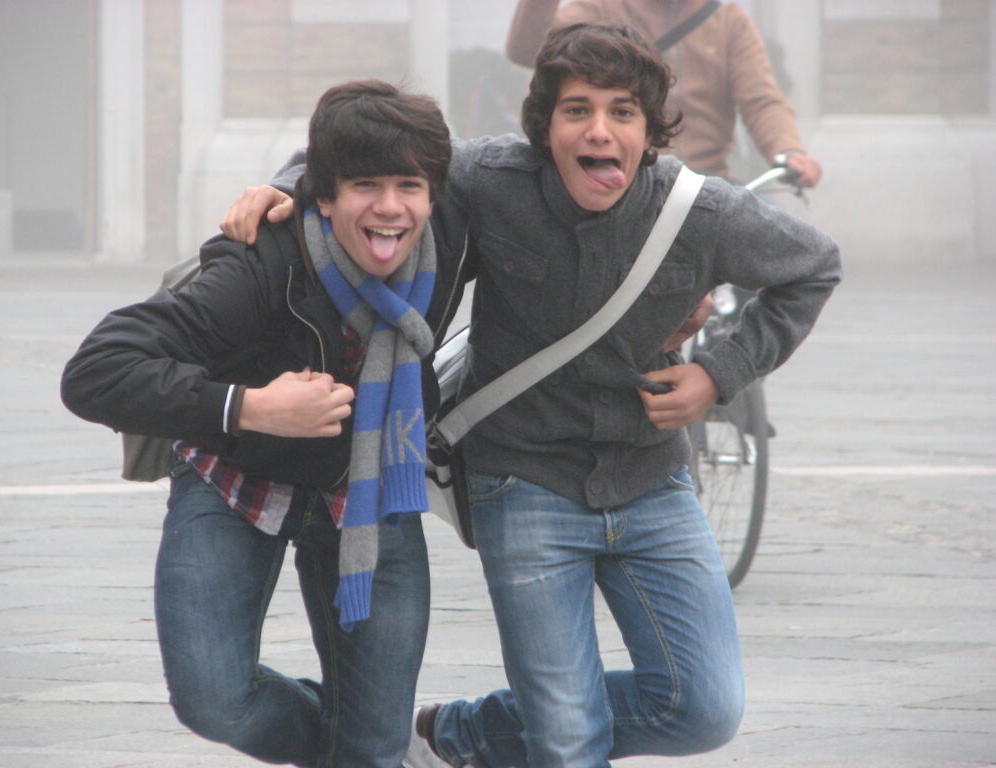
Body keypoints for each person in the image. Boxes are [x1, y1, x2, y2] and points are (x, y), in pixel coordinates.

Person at [221, 24, 841, 768]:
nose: (599, 130)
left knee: (703, 711)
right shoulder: (492, 178)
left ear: (649, 133)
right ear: (545, 128)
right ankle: (536, 725)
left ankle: (461, 732)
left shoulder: (702, 212)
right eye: (577, 110)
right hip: (522, 483)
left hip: (651, 480)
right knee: (567, 738)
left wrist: (719, 373)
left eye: (622, 112)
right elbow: (375, 155)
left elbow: (814, 266)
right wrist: (286, 184)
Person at [61, 81, 465, 768]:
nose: (391, 208)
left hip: (370, 488)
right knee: (214, 699)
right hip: (237, 479)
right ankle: (362, 741)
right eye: (365, 185)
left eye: (409, 186)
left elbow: (540, 168)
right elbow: (96, 370)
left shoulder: (452, 236)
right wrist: (251, 407)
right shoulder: (259, 261)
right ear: (323, 197)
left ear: (434, 195)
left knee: (375, 742)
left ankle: (376, 742)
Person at [505, 0, 823, 187]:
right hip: (623, 178)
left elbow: (761, 100)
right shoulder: (600, 8)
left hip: (704, 180)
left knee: (773, 240)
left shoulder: (727, 20)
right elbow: (527, 50)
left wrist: (788, 151)